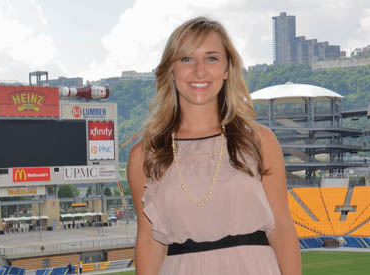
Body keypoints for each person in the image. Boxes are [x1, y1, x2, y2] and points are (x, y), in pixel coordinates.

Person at [128, 17, 301, 274]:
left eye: (211, 58)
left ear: (227, 69)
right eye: (186, 59)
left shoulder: (259, 140)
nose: (199, 71)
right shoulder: (145, 154)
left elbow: (282, 228)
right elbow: (149, 241)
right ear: (171, 70)